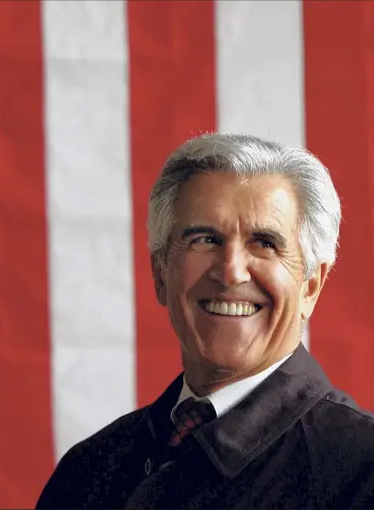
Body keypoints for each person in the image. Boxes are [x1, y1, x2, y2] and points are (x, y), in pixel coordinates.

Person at [36, 133, 374, 509]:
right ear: (161, 274)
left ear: (311, 286)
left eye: (264, 243)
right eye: (204, 239)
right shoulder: (87, 470)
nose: (231, 272)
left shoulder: (361, 471)